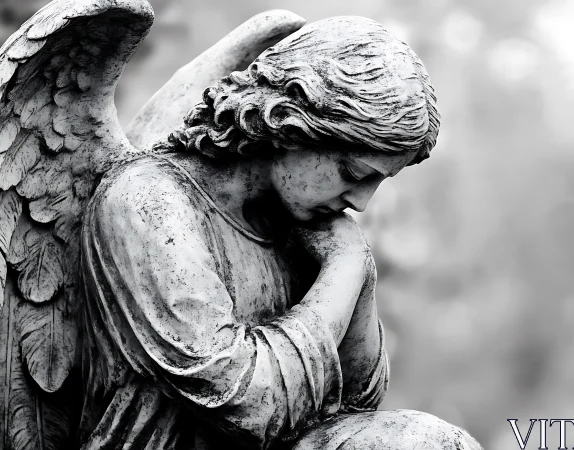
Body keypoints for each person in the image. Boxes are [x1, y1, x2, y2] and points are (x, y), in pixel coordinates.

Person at [77, 16, 482, 449]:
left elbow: (356, 404)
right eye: (352, 173)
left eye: (378, 182)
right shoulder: (148, 202)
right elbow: (245, 402)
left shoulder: (299, 224)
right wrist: (344, 270)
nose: (361, 203)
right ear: (290, 124)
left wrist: (359, 273)